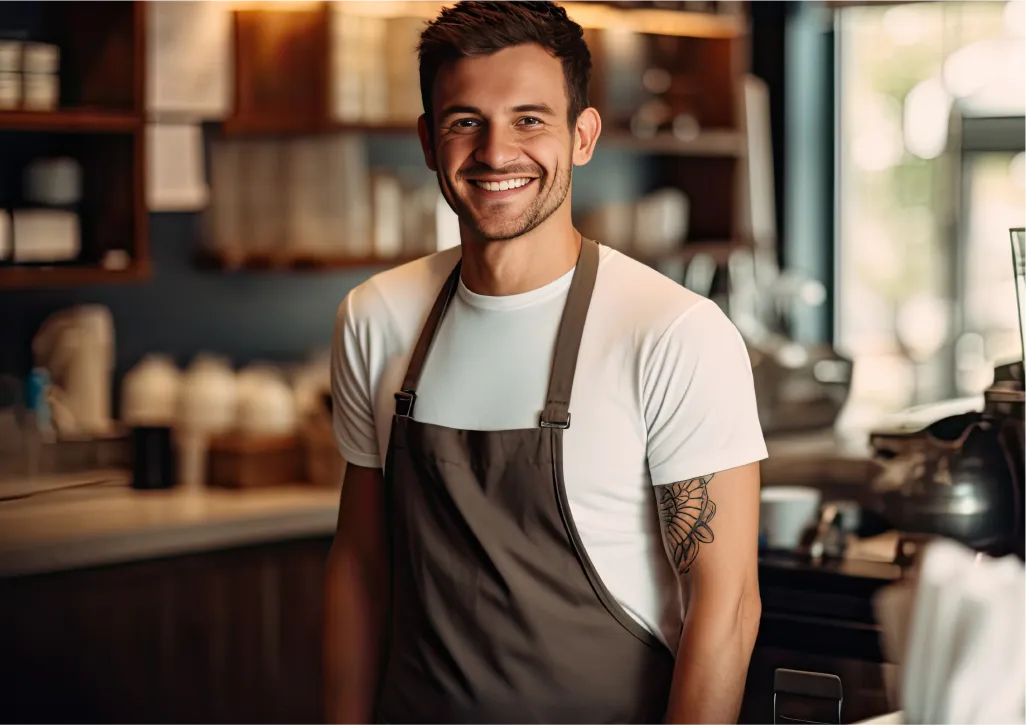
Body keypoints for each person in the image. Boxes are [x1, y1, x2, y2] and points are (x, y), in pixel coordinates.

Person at [324, 1, 767, 723]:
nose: (497, 152)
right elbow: (360, 566)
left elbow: (726, 607)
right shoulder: (376, 317)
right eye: (466, 120)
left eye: (530, 119)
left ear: (583, 136)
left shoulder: (673, 332)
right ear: (429, 141)